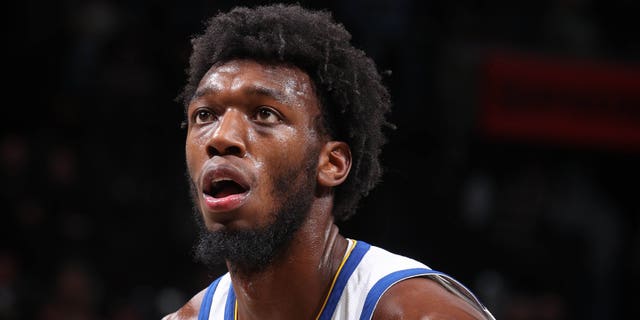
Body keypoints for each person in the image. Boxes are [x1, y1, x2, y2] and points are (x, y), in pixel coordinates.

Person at [164, 3, 495, 320]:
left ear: (332, 163)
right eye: (204, 115)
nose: (220, 138)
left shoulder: (421, 314)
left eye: (265, 114)